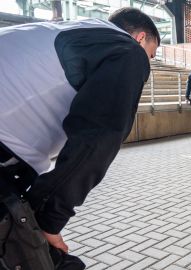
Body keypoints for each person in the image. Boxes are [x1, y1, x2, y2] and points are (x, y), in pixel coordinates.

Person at [0, 7, 159, 268]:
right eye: (151, 54)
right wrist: (49, 218)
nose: (148, 62)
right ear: (141, 38)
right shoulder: (128, 51)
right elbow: (99, 136)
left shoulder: (68, 31)